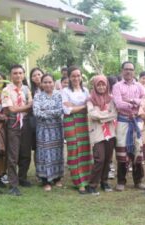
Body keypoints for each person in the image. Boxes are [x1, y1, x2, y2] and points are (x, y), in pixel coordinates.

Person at [112, 61, 145, 192]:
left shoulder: (139, 86)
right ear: (122, 70)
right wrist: (134, 105)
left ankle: (138, 181)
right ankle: (121, 181)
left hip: (137, 122)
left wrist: (131, 101)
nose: (129, 72)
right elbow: (118, 103)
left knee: (138, 150)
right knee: (122, 150)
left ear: (134, 71)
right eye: (126, 69)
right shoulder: (117, 86)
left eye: (131, 69)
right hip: (123, 122)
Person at [1, 64, 33, 196]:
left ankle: (22, 177)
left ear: (23, 75)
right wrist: (25, 106)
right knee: (13, 155)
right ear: (11, 75)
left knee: (26, 153)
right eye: (15, 73)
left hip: (25, 122)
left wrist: (22, 107)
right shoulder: (6, 90)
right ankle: (13, 184)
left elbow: (31, 106)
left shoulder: (26, 89)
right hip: (13, 122)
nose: (18, 75)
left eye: (20, 73)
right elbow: (10, 110)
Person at [62, 66, 93, 194]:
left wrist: (75, 106)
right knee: (74, 150)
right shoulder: (64, 91)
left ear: (81, 76)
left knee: (85, 150)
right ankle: (78, 181)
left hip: (84, 122)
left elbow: (90, 106)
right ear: (69, 77)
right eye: (73, 76)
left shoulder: (86, 90)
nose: (76, 78)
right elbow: (67, 110)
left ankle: (86, 179)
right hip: (70, 123)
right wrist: (83, 106)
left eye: (78, 75)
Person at [86, 75, 117, 195]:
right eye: (98, 84)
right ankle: (92, 184)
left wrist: (101, 116)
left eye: (103, 84)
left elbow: (114, 114)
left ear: (107, 85)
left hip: (110, 133)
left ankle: (104, 182)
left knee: (108, 159)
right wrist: (106, 115)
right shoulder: (90, 99)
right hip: (97, 134)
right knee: (99, 159)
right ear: (94, 86)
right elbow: (92, 114)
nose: (101, 87)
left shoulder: (112, 98)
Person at [33, 74, 64, 192]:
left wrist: (46, 112)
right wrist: (53, 113)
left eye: (50, 82)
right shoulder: (38, 96)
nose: (48, 84)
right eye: (45, 82)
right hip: (43, 130)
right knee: (44, 154)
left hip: (57, 129)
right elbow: (36, 112)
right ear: (41, 84)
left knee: (57, 153)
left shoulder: (59, 95)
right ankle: (45, 180)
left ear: (54, 83)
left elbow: (61, 110)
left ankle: (57, 178)